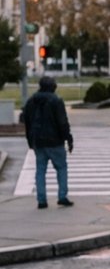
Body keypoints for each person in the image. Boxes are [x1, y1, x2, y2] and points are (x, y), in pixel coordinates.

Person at [22, 75, 74, 208]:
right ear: (53, 87)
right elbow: (62, 122)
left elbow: (27, 123)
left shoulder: (31, 101)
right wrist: (68, 138)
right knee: (61, 167)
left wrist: (30, 140)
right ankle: (62, 196)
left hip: (38, 141)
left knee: (40, 170)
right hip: (55, 141)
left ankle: (41, 200)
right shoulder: (56, 101)